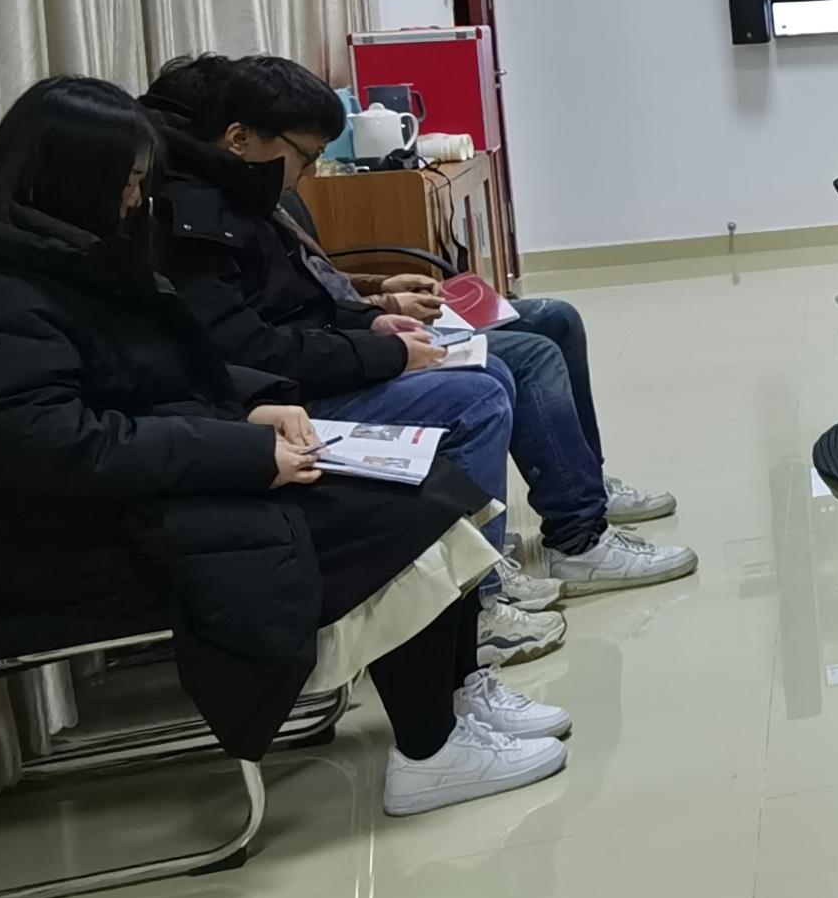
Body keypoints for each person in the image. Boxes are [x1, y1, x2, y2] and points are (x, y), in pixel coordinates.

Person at [0, 78, 566, 815]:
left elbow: (140, 374)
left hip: (127, 492)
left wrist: (251, 405)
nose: (134, 203)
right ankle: (431, 750)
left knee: (426, 479)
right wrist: (243, 453)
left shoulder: (26, 251)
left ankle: (455, 705)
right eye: (127, 183)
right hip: (58, 540)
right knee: (401, 509)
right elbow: (52, 444)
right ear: (70, 175)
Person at [137, 57, 554, 643]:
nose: (309, 174)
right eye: (305, 156)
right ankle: (478, 606)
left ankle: (517, 554)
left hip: (317, 360)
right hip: (282, 400)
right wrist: (383, 350)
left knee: (510, 358)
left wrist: (373, 317)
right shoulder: (198, 216)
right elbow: (251, 349)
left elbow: (303, 296)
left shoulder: (242, 194)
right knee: (479, 395)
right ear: (238, 136)